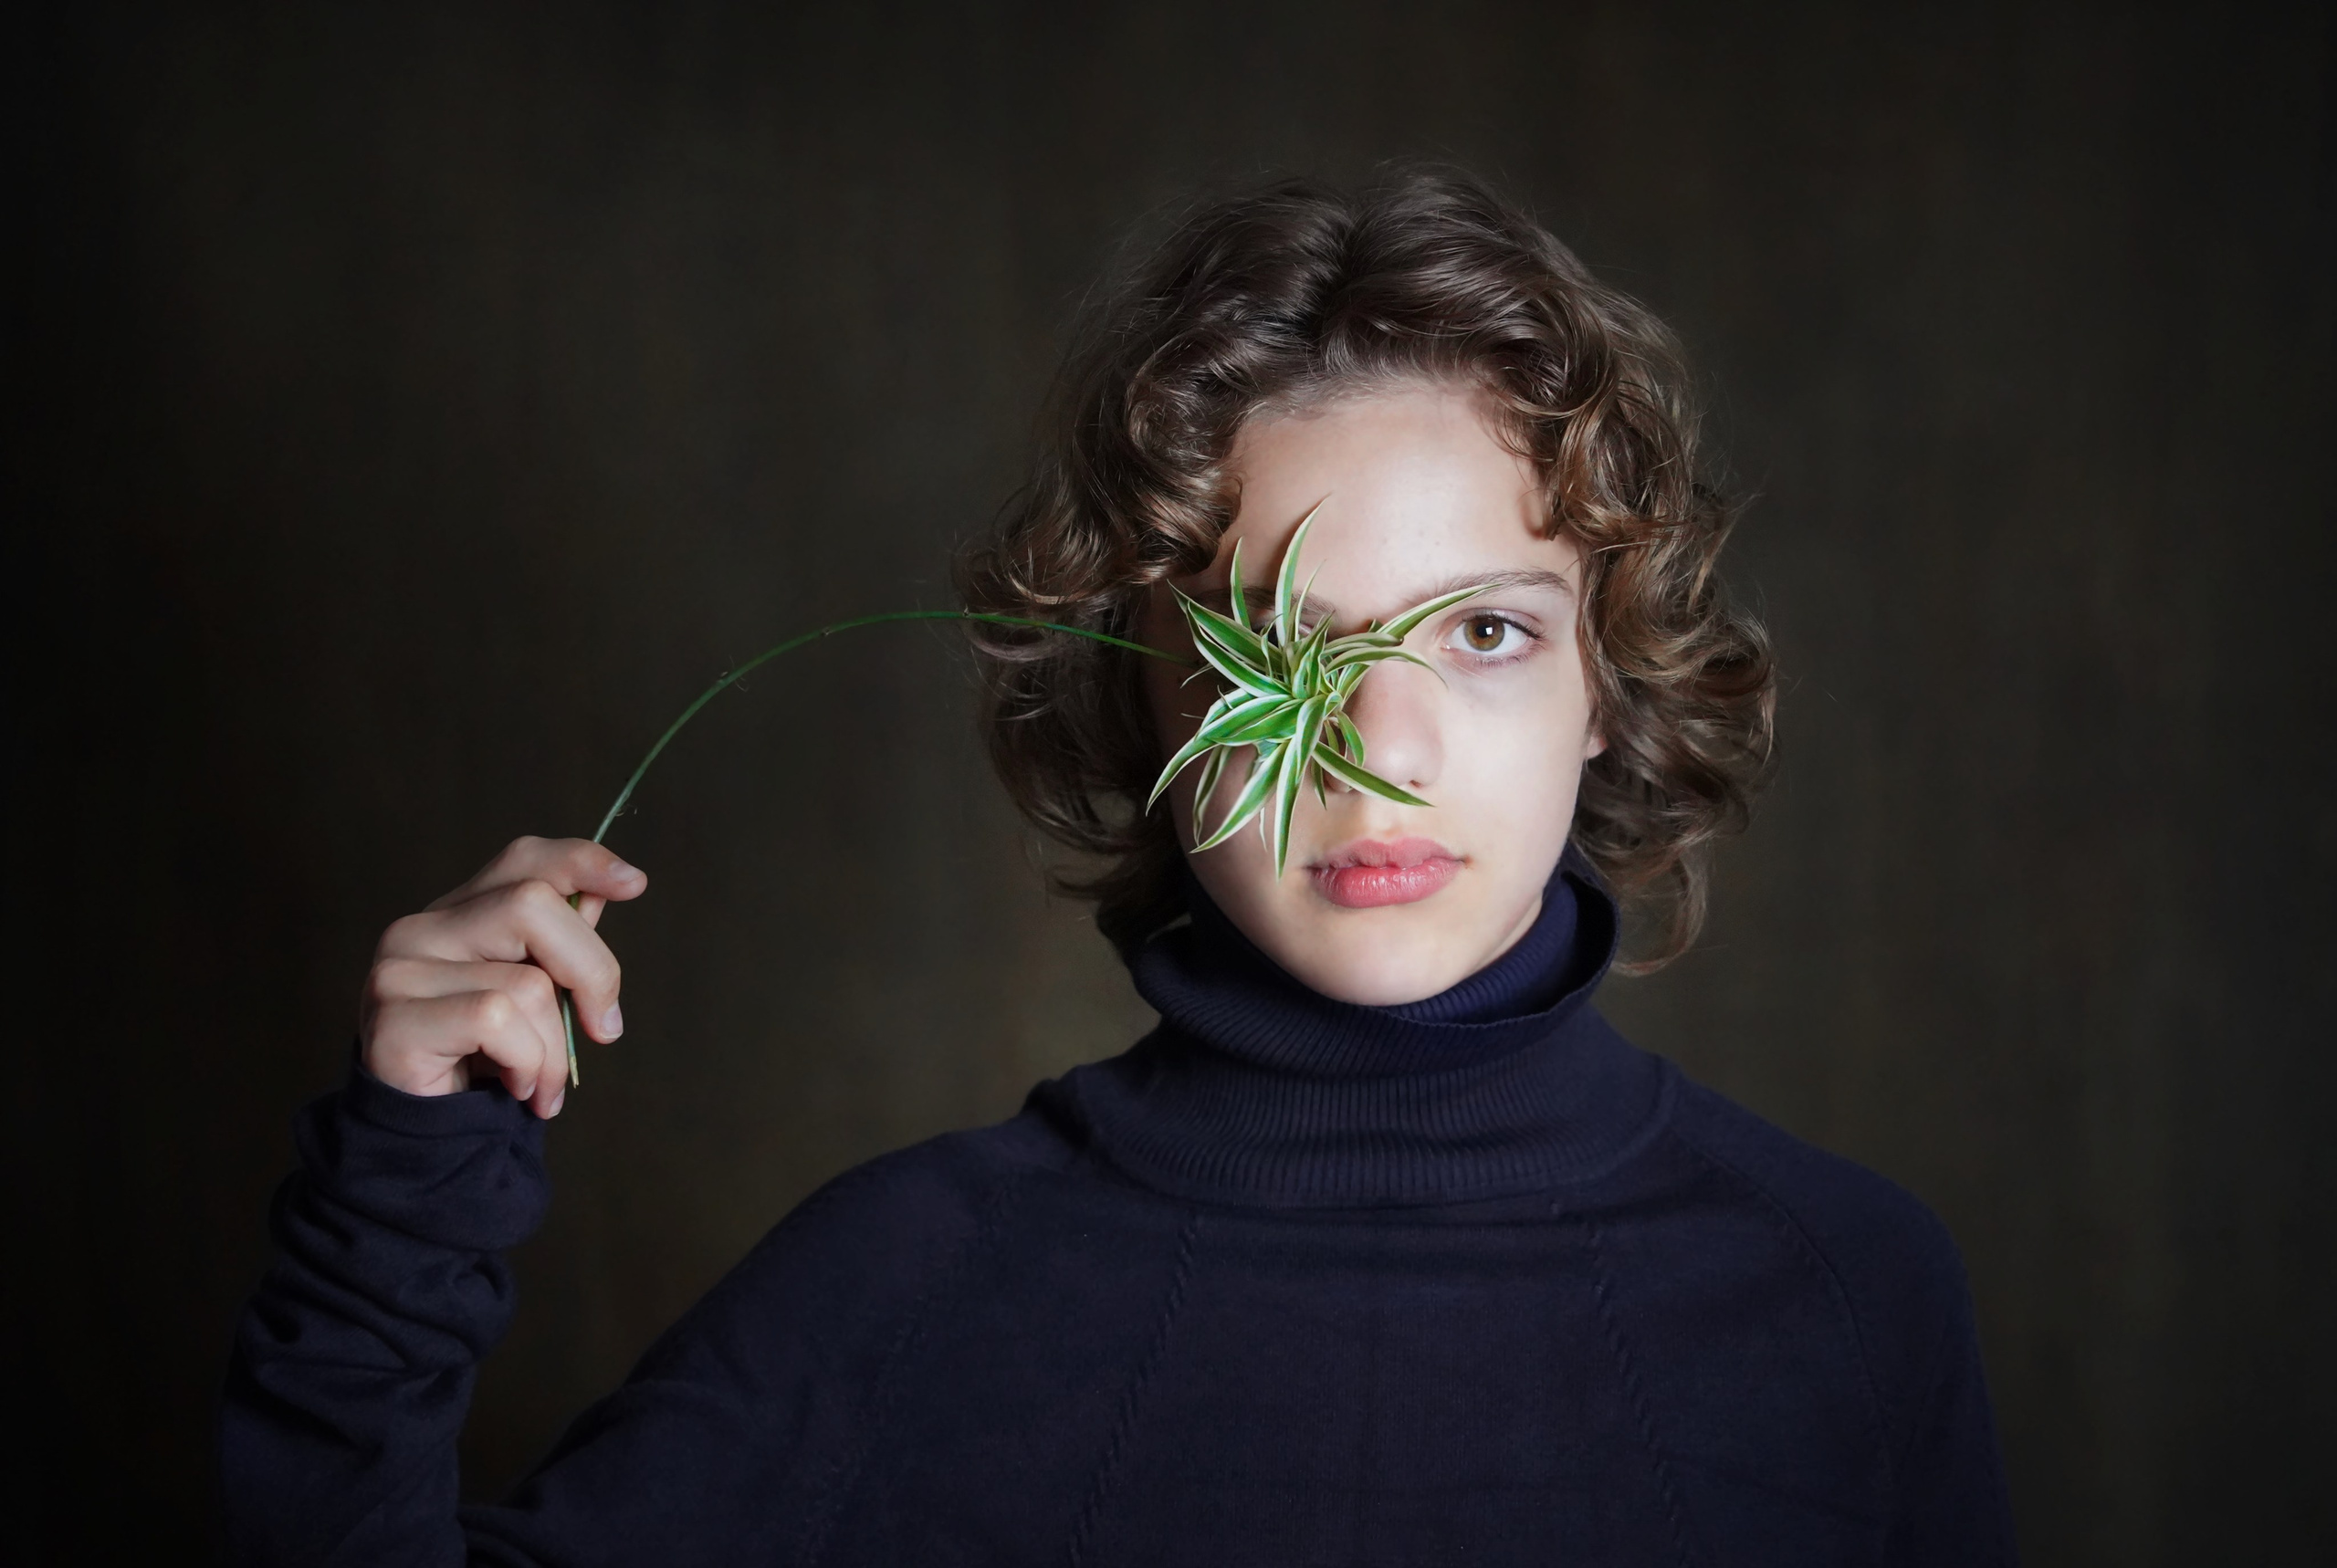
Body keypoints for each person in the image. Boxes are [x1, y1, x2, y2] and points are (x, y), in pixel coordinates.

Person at [221, 170, 2018, 1565]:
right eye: (1270, 652)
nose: (1374, 750)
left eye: (1477, 631)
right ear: (1140, 698)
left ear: (1602, 691)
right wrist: (402, 1185)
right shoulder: (910, 1279)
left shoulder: (1845, 1292)